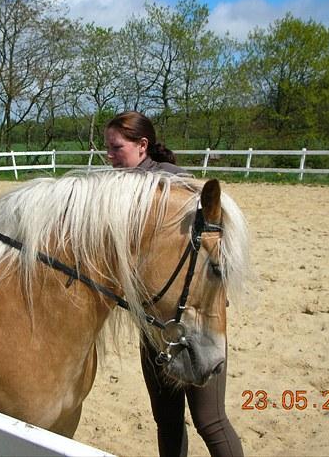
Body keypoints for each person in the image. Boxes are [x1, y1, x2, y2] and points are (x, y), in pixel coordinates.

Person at [104, 111, 243, 457]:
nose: (109, 156)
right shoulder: (117, 190)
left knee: (210, 421)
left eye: (116, 148)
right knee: (167, 422)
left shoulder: (176, 189)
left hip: (196, 321)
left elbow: (208, 252)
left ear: (142, 146)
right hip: (154, 324)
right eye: (107, 148)